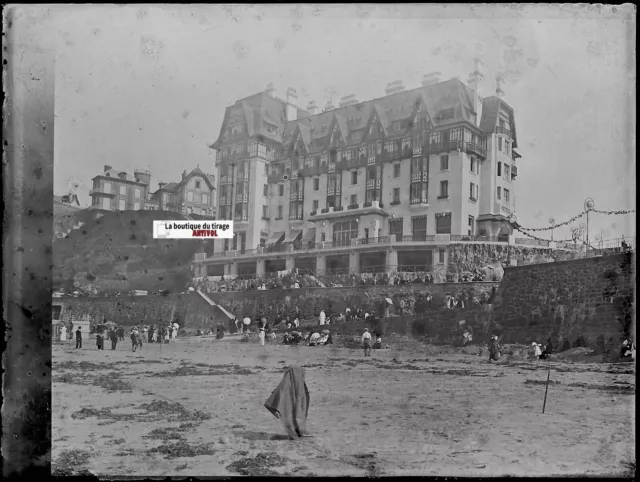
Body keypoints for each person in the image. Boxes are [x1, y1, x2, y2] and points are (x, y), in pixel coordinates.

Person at [264, 365, 311, 440]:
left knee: (296, 416)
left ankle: (297, 432)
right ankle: (294, 433)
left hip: (295, 403)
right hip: (290, 403)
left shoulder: (298, 381)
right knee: (292, 417)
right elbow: (279, 392)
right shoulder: (289, 381)